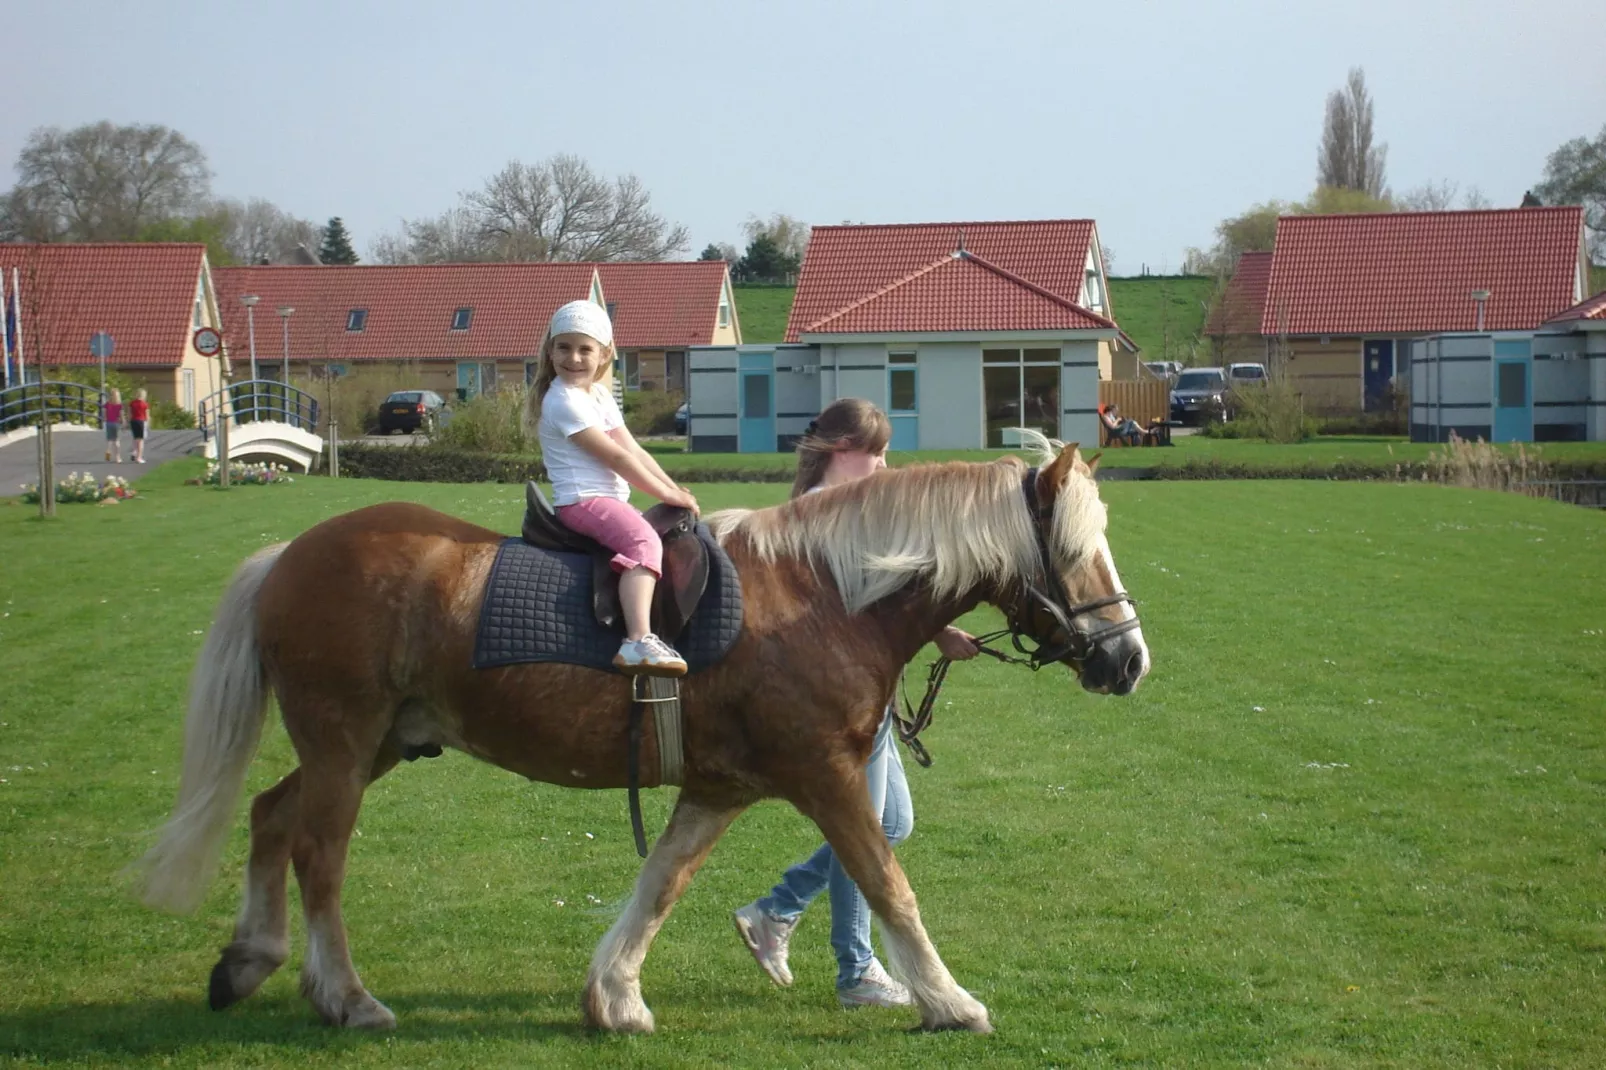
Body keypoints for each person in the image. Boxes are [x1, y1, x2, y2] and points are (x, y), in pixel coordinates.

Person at [732, 398, 981, 1008]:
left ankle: (778, 909)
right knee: (864, 830)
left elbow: (881, 600)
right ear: (841, 452)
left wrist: (937, 629)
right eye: (874, 451)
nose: (884, 462)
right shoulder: (811, 516)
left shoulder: (855, 511)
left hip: (868, 697)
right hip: (837, 701)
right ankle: (856, 969)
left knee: (893, 822)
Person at [528, 300, 698, 676]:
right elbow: (617, 460)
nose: (574, 358)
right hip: (582, 501)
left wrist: (674, 488)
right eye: (564, 347)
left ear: (604, 354)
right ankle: (637, 640)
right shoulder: (563, 402)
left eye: (585, 349)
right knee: (644, 543)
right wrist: (666, 496)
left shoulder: (600, 396)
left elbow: (633, 448)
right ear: (550, 350)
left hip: (607, 499)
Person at [128, 388, 150, 464]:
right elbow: (147, 415)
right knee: (141, 440)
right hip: (141, 421)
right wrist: (148, 424)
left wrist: (129, 421)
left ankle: (134, 452)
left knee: (135, 438)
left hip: (133, 421)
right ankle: (139, 457)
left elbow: (130, 414)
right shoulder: (145, 404)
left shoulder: (132, 403)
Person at [103, 388, 124, 463]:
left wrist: (105, 419)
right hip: (116, 423)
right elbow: (121, 415)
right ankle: (118, 457)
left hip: (109, 423)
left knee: (110, 439)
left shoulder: (107, 404)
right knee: (117, 440)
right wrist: (123, 421)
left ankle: (108, 450)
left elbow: (104, 413)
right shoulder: (119, 405)